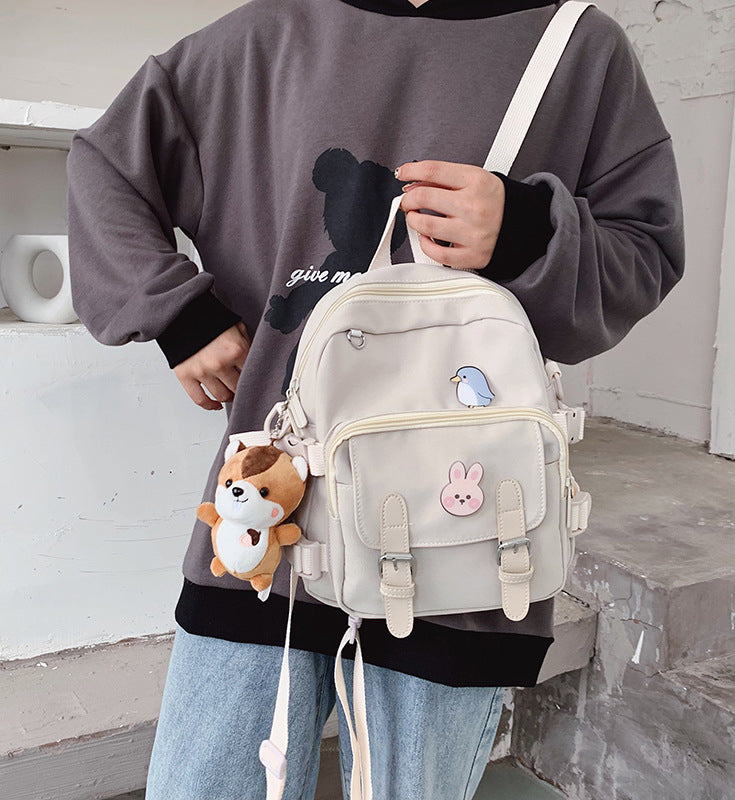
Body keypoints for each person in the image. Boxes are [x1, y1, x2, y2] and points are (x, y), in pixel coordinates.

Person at [65, 0, 685, 797]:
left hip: (459, 545)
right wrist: (177, 314)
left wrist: (527, 229)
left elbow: (645, 252)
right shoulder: (261, 41)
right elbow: (109, 164)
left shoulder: (576, 49)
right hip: (269, 523)